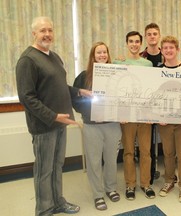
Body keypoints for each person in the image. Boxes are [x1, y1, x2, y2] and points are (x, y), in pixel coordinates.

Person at [15, 16, 91, 216]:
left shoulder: (54, 56)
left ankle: (58, 202)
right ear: (34, 34)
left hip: (60, 123)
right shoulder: (28, 60)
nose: (47, 34)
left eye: (50, 30)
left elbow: (58, 86)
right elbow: (26, 97)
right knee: (44, 170)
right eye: (42, 31)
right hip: (44, 126)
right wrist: (52, 116)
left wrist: (79, 91)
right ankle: (44, 209)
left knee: (57, 166)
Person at [72, 42, 122, 211]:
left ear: (108, 55)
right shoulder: (84, 76)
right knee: (94, 161)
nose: (102, 55)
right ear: (93, 56)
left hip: (112, 125)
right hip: (91, 125)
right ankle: (98, 194)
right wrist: (89, 113)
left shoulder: (116, 74)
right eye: (98, 53)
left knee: (111, 160)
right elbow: (75, 98)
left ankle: (110, 188)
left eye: (104, 52)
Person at [113, 31, 156, 200]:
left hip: (144, 115)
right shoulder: (118, 62)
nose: (134, 44)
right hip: (127, 115)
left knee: (146, 152)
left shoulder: (148, 65)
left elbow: (152, 90)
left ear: (141, 43)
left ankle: (146, 184)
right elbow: (114, 88)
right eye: (131, 41)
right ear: (126, 43)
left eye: (137, 41)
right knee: (129, 152)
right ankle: (130, 185)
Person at [157, 35, 181, 203]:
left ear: (177, 50)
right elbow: (154, 95)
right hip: (165, 120)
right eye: (165, 48)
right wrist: (157, 116)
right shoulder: (157, 70)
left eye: (172, 47)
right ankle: (169, 181)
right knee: (168, 153)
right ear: (161, 51)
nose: (168, 50)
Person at [140, 23, 163, 185]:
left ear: (159, 36)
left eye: (155, 33)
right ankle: (149, 172)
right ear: (146, 37)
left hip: (163, 105)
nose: (152, 36)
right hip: (145, 106)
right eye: (149, 34)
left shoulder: (167, 55)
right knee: (146, 143)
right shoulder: (140, 58)